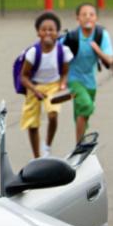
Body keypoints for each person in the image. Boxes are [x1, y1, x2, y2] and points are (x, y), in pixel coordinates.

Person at [19, 12, 73, 158]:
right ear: (38, 32)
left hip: (53, 86)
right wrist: (34, 89)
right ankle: (37, 156)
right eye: (44, 29)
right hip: (34, 86)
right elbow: (23, 76)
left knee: (53, 115)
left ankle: (47, 146)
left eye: (52, 29)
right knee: (32, 124)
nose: (48, 32)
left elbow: (65, 72)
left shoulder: (63, 51)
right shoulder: (32, 53)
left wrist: (62, 84)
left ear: (57, 33)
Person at [62, 3, 113, 143]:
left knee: (82, 114)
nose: (87, 17)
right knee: (86, 106)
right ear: (77, 18)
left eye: (91, 14)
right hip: (73, 79)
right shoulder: (71, 37)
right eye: (84, 14)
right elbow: (56, 53)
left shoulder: (101, 34)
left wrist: (98, 51)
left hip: (90, 81)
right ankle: (79, 146)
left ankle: (80, 145)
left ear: (96, 18)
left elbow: (109, 62)